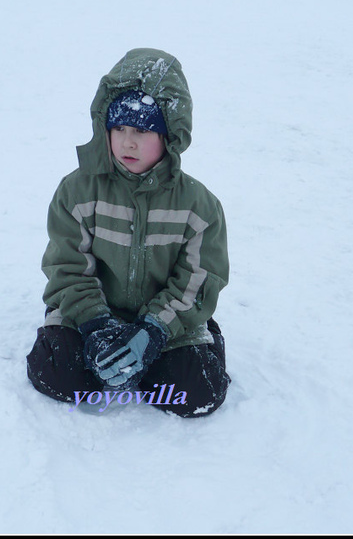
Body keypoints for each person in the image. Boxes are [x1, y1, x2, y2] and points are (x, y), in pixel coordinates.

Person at [26, 48, 231, 417]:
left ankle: (179, 346)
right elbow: (67, 267)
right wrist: (96, 326)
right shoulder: (77, 191)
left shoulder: (199, 205)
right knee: (59, 375)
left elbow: (199, 279)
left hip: (165, 324)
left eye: (142, 130)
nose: (127, 142)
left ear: (169, 136)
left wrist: (152, 332)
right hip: (92, 314)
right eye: (118, 128)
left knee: (196, 392)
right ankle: (107, 347)